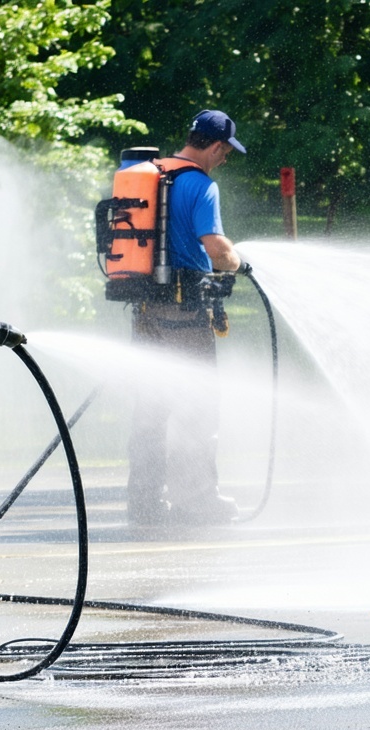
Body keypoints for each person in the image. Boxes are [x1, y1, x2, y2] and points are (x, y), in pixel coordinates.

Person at [126, 109, 248, 528]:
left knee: (150, 409)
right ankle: (197, 501)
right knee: (197, 406)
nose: (226, 159)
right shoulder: (200, 185)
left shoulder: (149, 174)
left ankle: (143, 502)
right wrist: (238, 262)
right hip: (184, 311)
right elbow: (216, 248)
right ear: (214, 146)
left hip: (144, 312)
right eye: (226, 151)